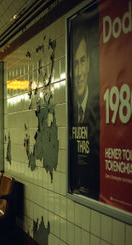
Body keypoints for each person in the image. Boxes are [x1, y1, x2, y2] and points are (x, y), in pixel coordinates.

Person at [70, 34, 100, 199]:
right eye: (75, 64)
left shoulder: (98, 110)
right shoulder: (71, 113)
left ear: (88, 63)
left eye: (82, 61)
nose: (79, 73)